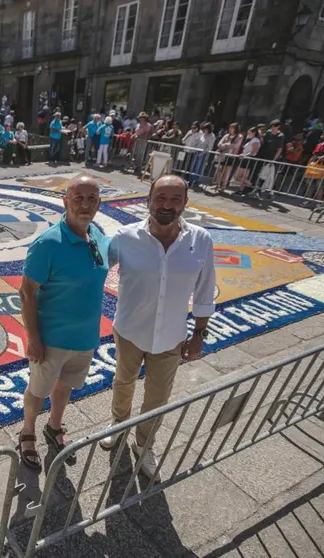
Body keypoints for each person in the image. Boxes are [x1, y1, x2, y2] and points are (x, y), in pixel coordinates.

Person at [100, 175, 216, 480]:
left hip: (172, 336)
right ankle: (118, 424)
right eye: (161, 197)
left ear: (185, 203)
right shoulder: (125, 237)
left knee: (158, 397)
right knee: (123, 382)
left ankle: (144, 444)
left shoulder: (201, 240)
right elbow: (94, 269)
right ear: (148, 199)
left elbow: (205, 291)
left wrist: (199, 335)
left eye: (175, 199)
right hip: (130, 330)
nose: (166, 205)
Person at [17, 175, 109, 470]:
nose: (85, 204)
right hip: (52, 338)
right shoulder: (49, 243)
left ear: (99, 203)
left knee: (66, 386)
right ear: (65, 200)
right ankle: (27, 431)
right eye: (78, 197)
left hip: (85, 337)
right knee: (38, 389)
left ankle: (54, 427)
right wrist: (33, 337)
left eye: (91, 198)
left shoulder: (97, 235)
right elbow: (26, 291)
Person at [248, 119, 285, 199]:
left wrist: (273, 160)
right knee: (260, 174)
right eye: (272, 126)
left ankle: (268, 192)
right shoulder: (268, 133)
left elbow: (279, 149)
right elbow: (263, 142)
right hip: (264, 156)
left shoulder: (280, 136)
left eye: (274, 126)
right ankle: (257, 191)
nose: (273, 128)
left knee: (269, 176)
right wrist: (261, 136)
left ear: (278, 126)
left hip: (272, 158)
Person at [213, 123, 242, 194]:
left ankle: (223, 186)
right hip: (222, 155)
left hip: (230, 156)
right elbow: (219, 144)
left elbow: (236, 145)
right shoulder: (226, 135)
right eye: (230, 128)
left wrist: (226, 145)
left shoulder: (239, 136)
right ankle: (218, 184)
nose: (230, 129)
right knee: (219, 170)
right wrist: (226, 145)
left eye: (232, 128)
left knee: (226, 172)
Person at [234, 127, 261, 195]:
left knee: (241, 177)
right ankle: (242, 189)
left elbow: (254, 152)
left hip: (248, 159)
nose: (248, 134)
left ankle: (252, 186)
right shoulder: (250, 140)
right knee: (239, 177)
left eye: (249, 132)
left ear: (254, 133)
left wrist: (245, 155)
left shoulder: (255, 140)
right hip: (245, 159)